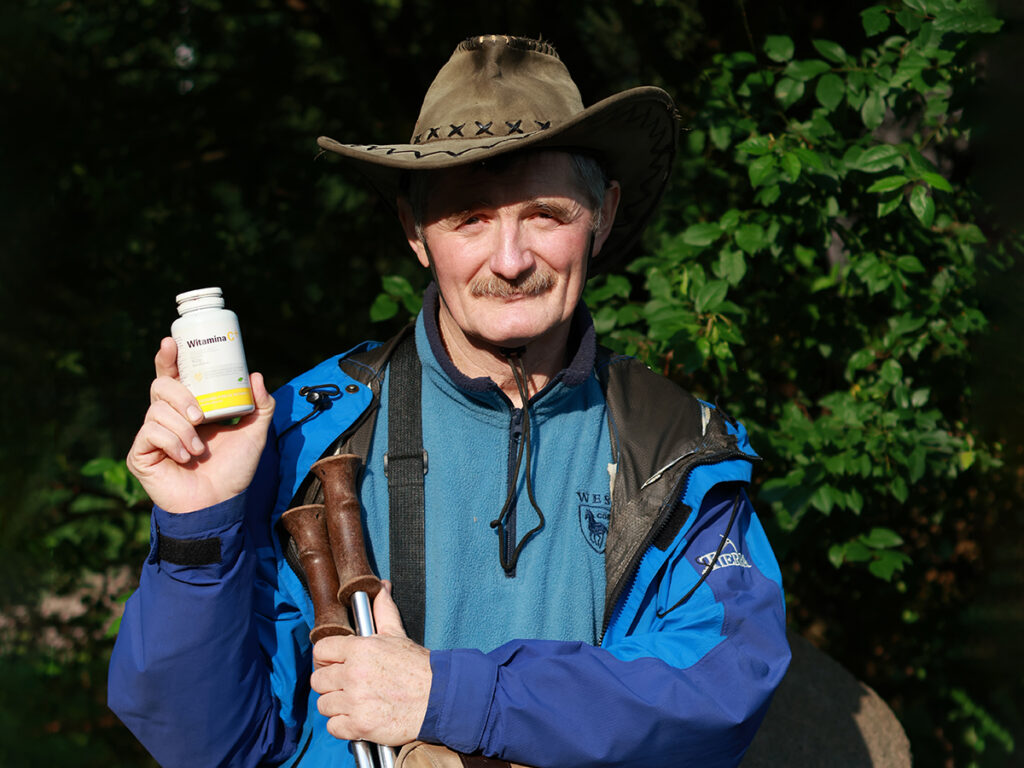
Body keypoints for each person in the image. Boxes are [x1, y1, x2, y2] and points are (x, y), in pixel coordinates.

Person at [108, 34, 790, 768]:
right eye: (469, 217)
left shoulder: (676, 449)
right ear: (415, 231)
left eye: (545, 214)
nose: (510, 259)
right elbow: (208, 744)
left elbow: (721, 692)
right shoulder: (304, 433)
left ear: (604, 214)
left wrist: (449, 695)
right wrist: (195, 533)